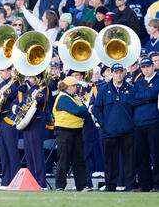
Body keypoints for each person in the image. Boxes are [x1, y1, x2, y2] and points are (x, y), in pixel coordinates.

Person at [92, 63, 135, 192]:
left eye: (121, 72)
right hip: (109, 132)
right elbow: (96, 108)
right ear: (111, 74)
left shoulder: (131, 89)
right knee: (110, 162)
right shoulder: (103, 90)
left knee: (129, 161)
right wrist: (104, 124)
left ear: (124, 73)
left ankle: (130, 186)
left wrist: (132, 124)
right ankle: (110, 186)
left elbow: (136, 108)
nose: (118, 74)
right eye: (116, 72)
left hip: (128, 132)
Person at [52, 76, 91, 191]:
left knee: (79, 159)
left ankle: (82, 185)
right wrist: (83, 110)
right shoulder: (63, 97)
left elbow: (84, 111)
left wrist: (83, 110)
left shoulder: (74, 97)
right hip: (64, 131)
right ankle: (60, 186)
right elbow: (79, 110)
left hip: (77, 131)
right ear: (68, 86)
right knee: (63, 159)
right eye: (74, 86)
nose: (76, 88)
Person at [13, 74, 48, 189]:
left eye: (30, 77)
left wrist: (30, 89)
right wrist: (16, 108)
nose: (27, 79)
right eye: (26, 77)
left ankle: (41, 183)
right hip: (26, 124)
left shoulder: (42, 89)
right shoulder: (24, 91)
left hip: (36, 123)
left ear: (36, 79)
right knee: (29, 155)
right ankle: (32, 182)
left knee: (37, 153)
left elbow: (40, 98)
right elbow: (16, 103)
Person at [130, 57, 159, 192]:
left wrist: (142, 98)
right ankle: (145, 185)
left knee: (156, 154)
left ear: (153, 66)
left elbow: (153, 95)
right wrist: (146, 99)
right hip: (139, 123)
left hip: (154, 122)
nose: (146, 69)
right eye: (143, 67)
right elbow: (131, 99)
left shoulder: (158, 80)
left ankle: (157, 184)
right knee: (141, 156)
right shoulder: (139, 82)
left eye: (148, 67)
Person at [0, 66, 21, 190]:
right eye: (0, 71)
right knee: (3, 151)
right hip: (1, 119)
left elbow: (8, 94)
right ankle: (5, 181)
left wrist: (1, 82)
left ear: (9, 71)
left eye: (4, 70)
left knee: (12, 151)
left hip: (10, 118)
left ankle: (15, 180)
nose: (2, 73)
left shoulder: (15, 82)